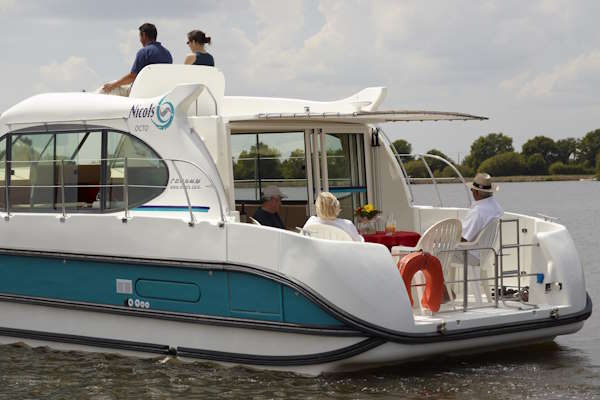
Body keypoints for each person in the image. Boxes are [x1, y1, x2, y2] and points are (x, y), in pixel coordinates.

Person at [102, 23, 172, 93]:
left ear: (144, 35)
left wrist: (112, 86)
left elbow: (132, 76)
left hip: (141, 92)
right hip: (160, 92)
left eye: (140, 36)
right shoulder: (168, 54)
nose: (140, 40)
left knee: (107, 88)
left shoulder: (144, 52)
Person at [461, 172, 504, 242]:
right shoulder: (498, 208)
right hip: (487, 249)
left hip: (469, 251)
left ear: (476, 192)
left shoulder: (478, 211)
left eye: (472, 189)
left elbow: (463, 238)